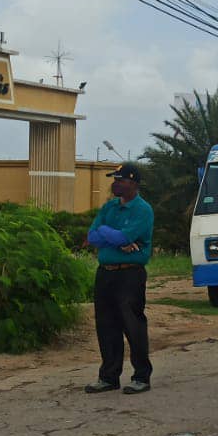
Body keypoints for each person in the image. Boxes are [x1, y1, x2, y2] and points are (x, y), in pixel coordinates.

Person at [84, 163, 155, 395]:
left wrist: (115, 236)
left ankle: (141, 376)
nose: (115, 183)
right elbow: (92, 236)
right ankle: (109, 376)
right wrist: (111, 236)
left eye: (120, 180)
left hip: (129, 274)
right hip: (106, 272)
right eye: (114, 179)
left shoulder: (142, 210)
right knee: (106, 325)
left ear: (133, 183)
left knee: (132, 324)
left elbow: (125, 235)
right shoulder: (109, 207)